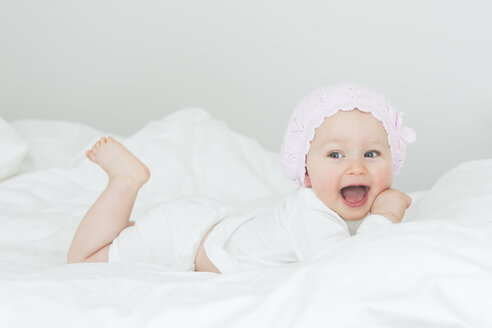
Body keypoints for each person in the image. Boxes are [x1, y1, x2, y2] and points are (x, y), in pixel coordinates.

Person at [67, 83, 416, 274]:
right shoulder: (312, 211)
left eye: (371, 154)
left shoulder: (334, 206)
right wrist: (385, 217)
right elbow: (347, 267)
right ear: (305, 174)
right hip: (181, 239)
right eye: (336, 155)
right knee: (85, 260)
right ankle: (125, 179)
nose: (356, 168)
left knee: (121, 235)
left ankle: (125, 210)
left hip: (203, 223)